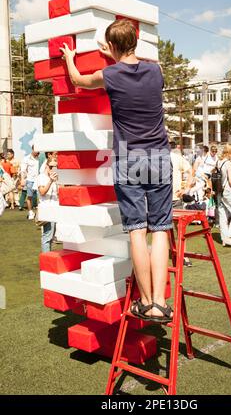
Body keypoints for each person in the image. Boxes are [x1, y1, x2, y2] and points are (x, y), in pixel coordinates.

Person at [60, 19, 173, 323]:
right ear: (135, 42)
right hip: (159, 156)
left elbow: (78, 81)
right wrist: (119, 52)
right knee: (160, 229)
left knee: (137, 230)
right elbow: (138, 64)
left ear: (110, 48)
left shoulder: (108, 75)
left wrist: (70, 58)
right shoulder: (156, 70)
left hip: (129, 159)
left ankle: (146, 302)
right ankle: (161, 303)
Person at [37, 159, 59, 252]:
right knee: (47, 236)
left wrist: (56, 182)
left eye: (55, 167)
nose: (52, 169)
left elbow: (58, 193)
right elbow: (42, 192)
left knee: (52, 237)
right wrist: (50, 180)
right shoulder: (41, 177)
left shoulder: (55, 177)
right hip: (46, 209)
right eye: (51, 167)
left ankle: (48, 260)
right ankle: (46, 262)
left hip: (55, 208)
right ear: (46, 165)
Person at [170, 141, 192, 209]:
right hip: (157, 200)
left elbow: (191, 171)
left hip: (175, 198)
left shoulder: (176, 158)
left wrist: (186, 189)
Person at [20, 146, 39, 219]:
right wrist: (22, 179)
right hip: (30, 180)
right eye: (36, 150)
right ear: (33, 149)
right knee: (29, 197)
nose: (37, 151)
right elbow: (23, 170)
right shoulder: (26, 158)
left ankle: (39, 213)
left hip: (39, 180)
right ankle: (30, 212)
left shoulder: (40, 158)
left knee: (40, 197)